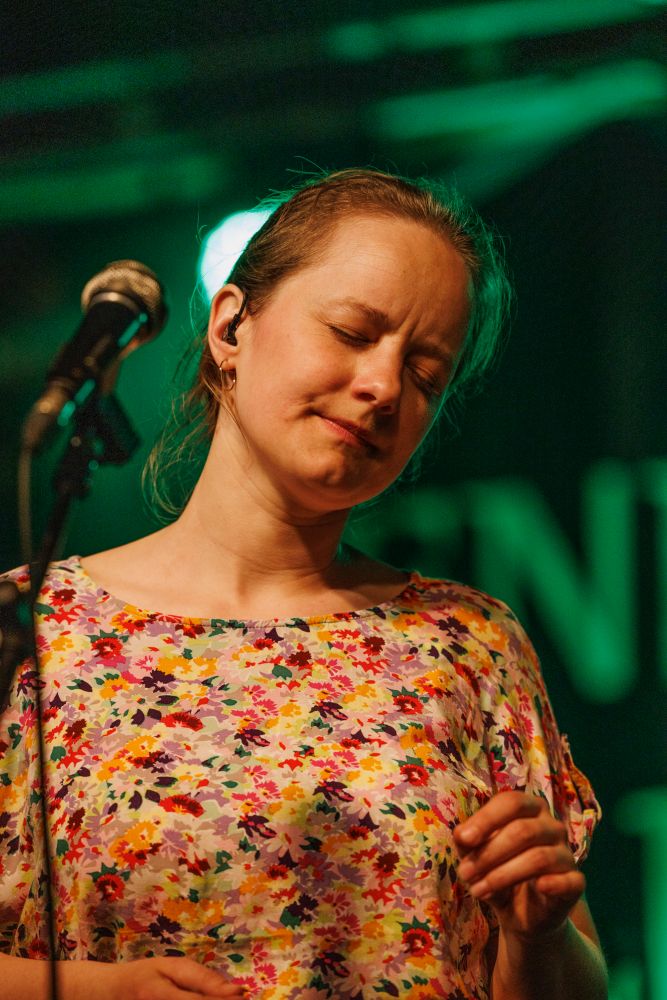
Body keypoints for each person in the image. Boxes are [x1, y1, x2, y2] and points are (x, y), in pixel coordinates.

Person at [0, 169, 607, 1000]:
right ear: (230, 326)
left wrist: (537, 937)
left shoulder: (468, 644)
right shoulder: (37, 627)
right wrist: (102, 992)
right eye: (352, 332)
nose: (383, 386)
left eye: (425, 375)